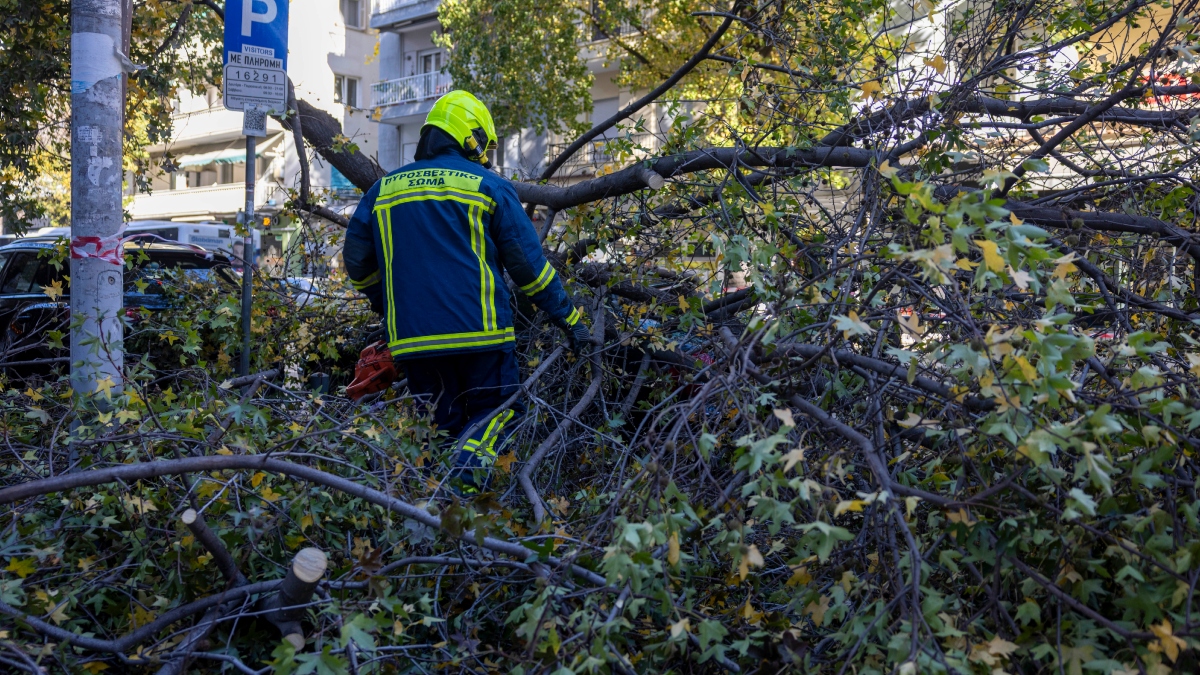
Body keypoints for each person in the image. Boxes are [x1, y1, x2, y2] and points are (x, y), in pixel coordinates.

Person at [342, 90, 590, 490]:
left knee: (440, 426)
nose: (487, 153)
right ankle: (458, 492)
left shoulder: (383, 191)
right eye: (485, 143)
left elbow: (356, 262)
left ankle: (436, 519)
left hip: (414, 340)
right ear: (468, 135)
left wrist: (388, 304)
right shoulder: (486, 186)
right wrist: (570, 319)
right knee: (500, 414)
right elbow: (530, 271)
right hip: (482, 335)